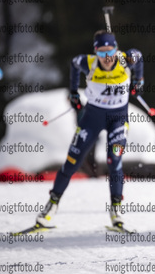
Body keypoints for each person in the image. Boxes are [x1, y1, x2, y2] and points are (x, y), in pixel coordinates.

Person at [35, 30, 144, 232]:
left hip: (118, 119)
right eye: (101, 54)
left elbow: (138, 58)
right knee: (71, 162)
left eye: (110, 52)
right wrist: (73, 92)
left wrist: (139, 81)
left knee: (114, 160)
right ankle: (51, 206)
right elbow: (74, 64)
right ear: (95, 53)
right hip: (92, 118)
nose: (106, 58)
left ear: (116, 49)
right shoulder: (88, 62)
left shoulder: (124, 60)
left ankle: (116, 211)